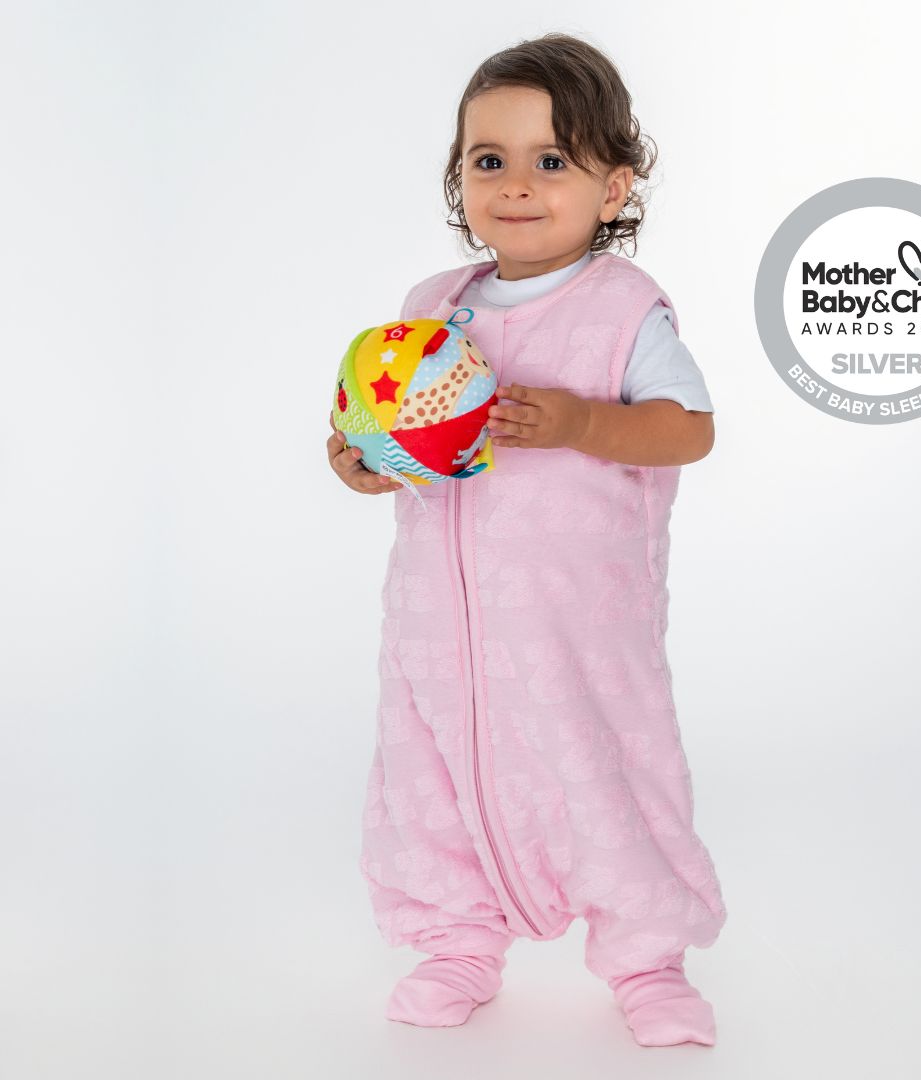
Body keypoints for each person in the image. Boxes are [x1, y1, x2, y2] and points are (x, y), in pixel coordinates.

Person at [325, 32, 727, 1048]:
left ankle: (647, 958)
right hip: (439, 628)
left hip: (578, 629)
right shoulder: (431, 311)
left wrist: (584, 421)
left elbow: (690, 429)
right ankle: (456, 942)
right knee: (430, 784)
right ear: (458, 175)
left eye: (551, 160)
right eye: (488, 159)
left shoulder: (622, 311)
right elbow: (406, 440)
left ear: (614, 185)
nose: (515, 183)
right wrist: (367, 462)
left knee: (612, 782)